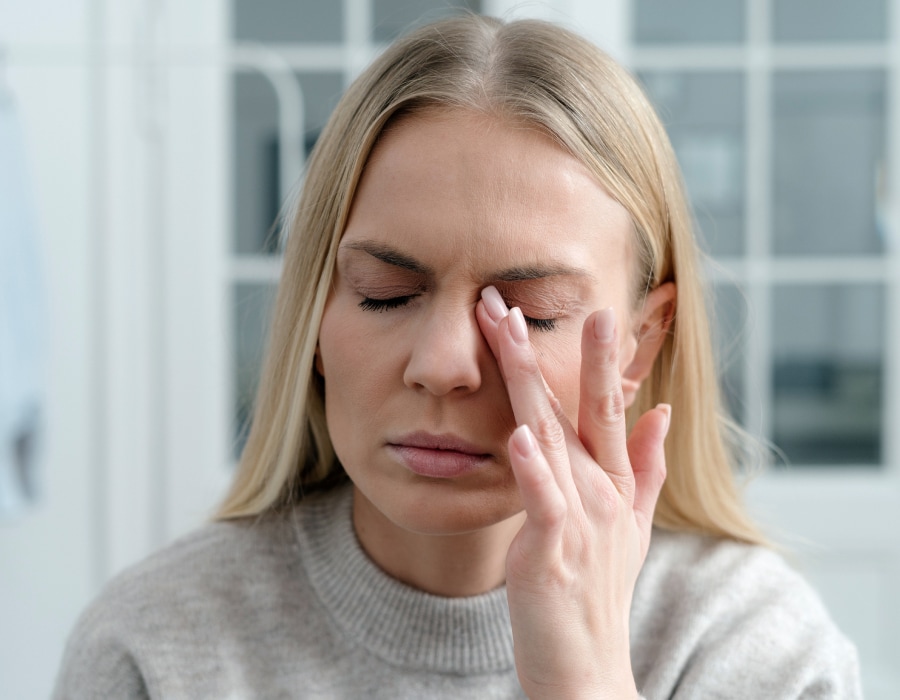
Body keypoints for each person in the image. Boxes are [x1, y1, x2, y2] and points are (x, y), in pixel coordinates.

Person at [54, 14, 861, 699]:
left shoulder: (757, 652)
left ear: (642, 342)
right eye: (383, 293)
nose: (442, 364)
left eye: (529, 313)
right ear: (317, 315)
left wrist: (586, 677)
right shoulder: (155, 649)